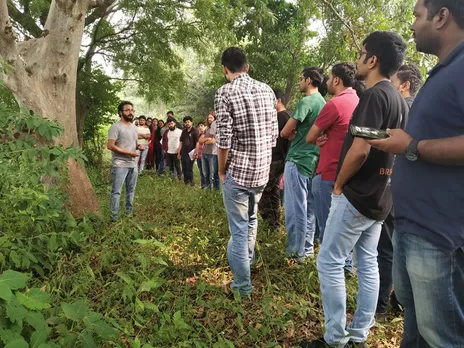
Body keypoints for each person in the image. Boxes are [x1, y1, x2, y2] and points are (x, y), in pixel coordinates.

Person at [304, 31, 408, 348]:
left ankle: (335, 339)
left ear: (372, 59)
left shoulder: (375, 96)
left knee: (329, 262)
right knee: (367, 264)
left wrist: (338, 183)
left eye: (362, 53)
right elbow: (377, 141)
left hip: (357, 195)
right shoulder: (398, 100)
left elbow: (361, 148)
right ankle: (359, 334)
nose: (358, 59)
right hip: (380, 196)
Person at [368, 1, 464, 346]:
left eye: (417, 16)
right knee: (417, 328)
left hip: (440, 233)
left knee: (442, 336)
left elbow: (418, 144)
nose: (412, 25)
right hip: (414, 224)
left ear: (442, 16)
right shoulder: (443, 70)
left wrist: (412, 146)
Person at [215, 47, 278, 297]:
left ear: (224, 69)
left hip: (239, 173)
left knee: (239, 229)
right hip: (262, 173)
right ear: (247, 67)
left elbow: (223, 140)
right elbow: (273, 135)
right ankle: (247, 264)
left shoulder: (225, 93)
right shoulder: (267, 90)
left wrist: (221, 171)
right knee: (251, 220)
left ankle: (242, 285)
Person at [375, 63, 422, 321]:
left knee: (388, 249)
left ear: (405, 85)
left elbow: (395, 143)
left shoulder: (407, 108)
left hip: (399, 191)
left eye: (394, 80)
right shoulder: (419, 107)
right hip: (409, 193)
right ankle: (395, 301)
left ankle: (381, 306)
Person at [305, 63, 361, 275]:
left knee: (328, 229)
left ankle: (331, 272)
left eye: (329, 78)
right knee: (344, 228)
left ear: (337, 80)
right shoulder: (359, 101)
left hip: (328, 173)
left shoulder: (334, 104)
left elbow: (310, 137)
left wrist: (320, 137)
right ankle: (347, 266)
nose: (327, 82)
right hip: (351, 174)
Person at [280, 67, 327, 264]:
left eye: (301, 79)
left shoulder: (307, 101)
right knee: (309, 210)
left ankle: (296, 251)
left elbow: (285, 132)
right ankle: (306, 251)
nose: (299, 82)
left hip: (298, 159)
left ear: (309, 80)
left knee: (294, 208)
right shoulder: (324, 103)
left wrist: (291, 132)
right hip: (314, 160)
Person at [258, 89, 290, 230]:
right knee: (273, 191)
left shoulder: (282, 117)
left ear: (278, 100)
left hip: (275, 159)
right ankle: (274, 223)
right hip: (277, 159)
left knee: (264, 190)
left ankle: (270, 222)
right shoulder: (285, 116)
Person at [107, 101, 143, 222]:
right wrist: (128, 153)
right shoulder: (115, 127)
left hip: (133, 164)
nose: (130, 112)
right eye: (127, 110)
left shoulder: (134, 127)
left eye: (132, 110)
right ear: (120, 112)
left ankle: (128, 214)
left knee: (131, 190)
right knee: (116, 191)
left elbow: (134, 143)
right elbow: (110, 146)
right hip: (120, 164)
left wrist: (138, 147)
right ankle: (114, 217)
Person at [199, 112, 220, 189]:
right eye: (208, 118)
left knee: (213, 174)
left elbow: (213, 141)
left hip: (212, 153)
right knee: (205, 173)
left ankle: (214, 190)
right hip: (204, 153)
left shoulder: (216, 128)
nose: (209, 119)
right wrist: (207, 139)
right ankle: (207, 188)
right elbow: (200, 140)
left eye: (211, 117)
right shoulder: (207, 128)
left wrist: (206, 140)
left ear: (215, 118)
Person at [179, 116, 200, 185]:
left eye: (188, 122)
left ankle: (191, 183)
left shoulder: (195, 131)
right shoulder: (184, 131)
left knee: (189, 168)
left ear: (191, 122)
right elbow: (181, 142)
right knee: (184, 167)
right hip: (183, 152)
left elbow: (197, 142)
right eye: (186, 122)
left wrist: (196, 152)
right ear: (184, 124)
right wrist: (179, 152)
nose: (187, 123)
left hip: (191, 152)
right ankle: (186, 182)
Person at [196, 122, 207, 188]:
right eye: (199, 126)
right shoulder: (199, 135)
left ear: (205, 127)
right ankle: (202, 185)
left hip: (205, 156)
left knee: (205, 172)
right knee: (201, 172)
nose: (200, 127)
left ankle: (207, 186)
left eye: (202, 126)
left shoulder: (207, 135)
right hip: (199, 156)